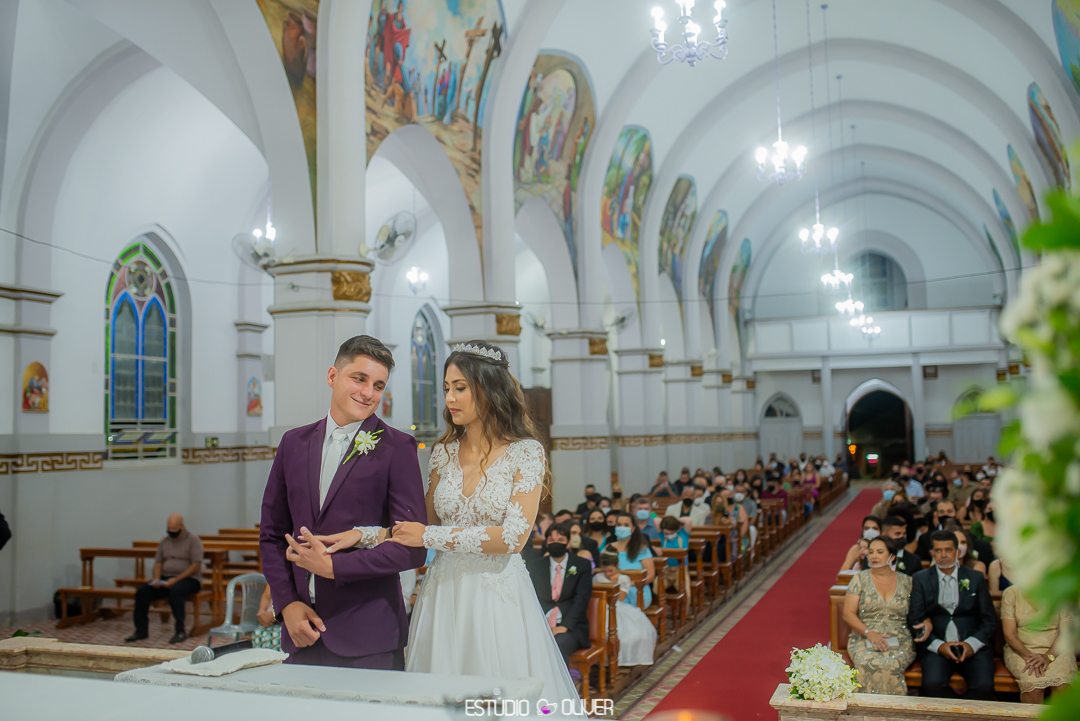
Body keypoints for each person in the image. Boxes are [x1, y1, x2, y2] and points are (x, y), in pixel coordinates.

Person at [326, 341, 580, 705]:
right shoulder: (442, 453)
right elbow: (417, 526)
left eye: (460, 387)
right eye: (447, 388)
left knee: (498, 698)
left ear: (489, 388)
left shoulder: (526, 451)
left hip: (496, 597)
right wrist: (363, 534)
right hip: (443, 595)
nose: (450, 398)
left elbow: (513, 538)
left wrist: (428, 535)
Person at [261, 336, 427, 669]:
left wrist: (334, 567)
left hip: (368, 636)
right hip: (301, 632)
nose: (368, 393)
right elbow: (272, 534)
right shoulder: (293, 443)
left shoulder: (397, 448)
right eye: (359, 379)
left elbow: (412, 548)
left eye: (378, 385)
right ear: (332, 376)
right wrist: (288, 604)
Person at [907, 530, 997, 701]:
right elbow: (916, 619)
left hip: (972, 643)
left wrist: (971, 644)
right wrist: (939, 646)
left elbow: (989, 620)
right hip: (937, 645)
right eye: (938, 551)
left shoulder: (975, 578)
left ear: (958, 552)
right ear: (932, 553)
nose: (943, 555)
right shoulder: (921, 579)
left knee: (984, 686)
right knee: (932, 684)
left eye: (948, 550)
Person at [842, 537, 919, 694]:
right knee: (867, 662)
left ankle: (892, 714)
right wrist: (869, 633)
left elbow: (919, 613)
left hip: (900, 637)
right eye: (871, 552)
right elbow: (848, 614)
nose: (874, 556)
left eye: (879, 552)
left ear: (892, 556)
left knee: (891, 663)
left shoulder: (907, 582)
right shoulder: (859, 579)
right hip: (864, 635)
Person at [126, 513, 203, 644]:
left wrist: (177, 579)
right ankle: (141, 630)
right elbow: (158, 563)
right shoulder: (165, 541)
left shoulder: (193, 540)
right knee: (142, 592)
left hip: (189, 579)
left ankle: (180, 631)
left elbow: (196, 564)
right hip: (165, 579)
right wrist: (156, 579)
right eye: (169, 528)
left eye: (174, 529)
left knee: (176, 591)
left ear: (182, 526)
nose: (171, 531)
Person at [526, 523, 593, 665]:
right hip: (542, 624)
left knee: (557, 643)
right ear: (546, 543)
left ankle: (560, 686)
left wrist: (565, 626)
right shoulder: (535, 566)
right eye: (551, 540)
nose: (556, 543)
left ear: (568, 543)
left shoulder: (581, 565)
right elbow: (532, 597)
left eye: (561, 540)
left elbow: (582, 599)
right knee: (526, 641)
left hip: (571, 628)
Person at [1001, 584, 1077, 704]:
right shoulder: (1011, 593)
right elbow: (1010, 635)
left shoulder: (1062, 592)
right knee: (1034, 687)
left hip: (1057, 648)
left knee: (1063, 685)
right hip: (1021, 649)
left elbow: (1065, 633)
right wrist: (1028, 657)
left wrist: (1048, 656)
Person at [596, 552, 657, 666]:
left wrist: (614, 585)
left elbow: (621, 598)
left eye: (610, 571)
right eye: (604, 571)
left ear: (617, 566)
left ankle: (624, 660)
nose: (607, 574)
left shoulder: (623, 579)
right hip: (602, 608)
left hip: (619, 607)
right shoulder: (597, 578)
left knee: (630, 634)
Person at [604, 512, 656, 607]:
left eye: (626, 525)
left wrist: (629, 584)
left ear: (633, 529)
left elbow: (651, 575)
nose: (622, 527)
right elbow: (603, 570)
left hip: (637, 591)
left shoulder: (642, 549)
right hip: (614, 589)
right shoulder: (608, 548)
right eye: (619, 525)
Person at [252, 584, 282, 651]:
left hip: (286, 623)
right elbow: (266, 596)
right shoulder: (274, 574)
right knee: (258, 632)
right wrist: (261, 613)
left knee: (277, 636)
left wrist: (274, 615)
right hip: (270, 622)